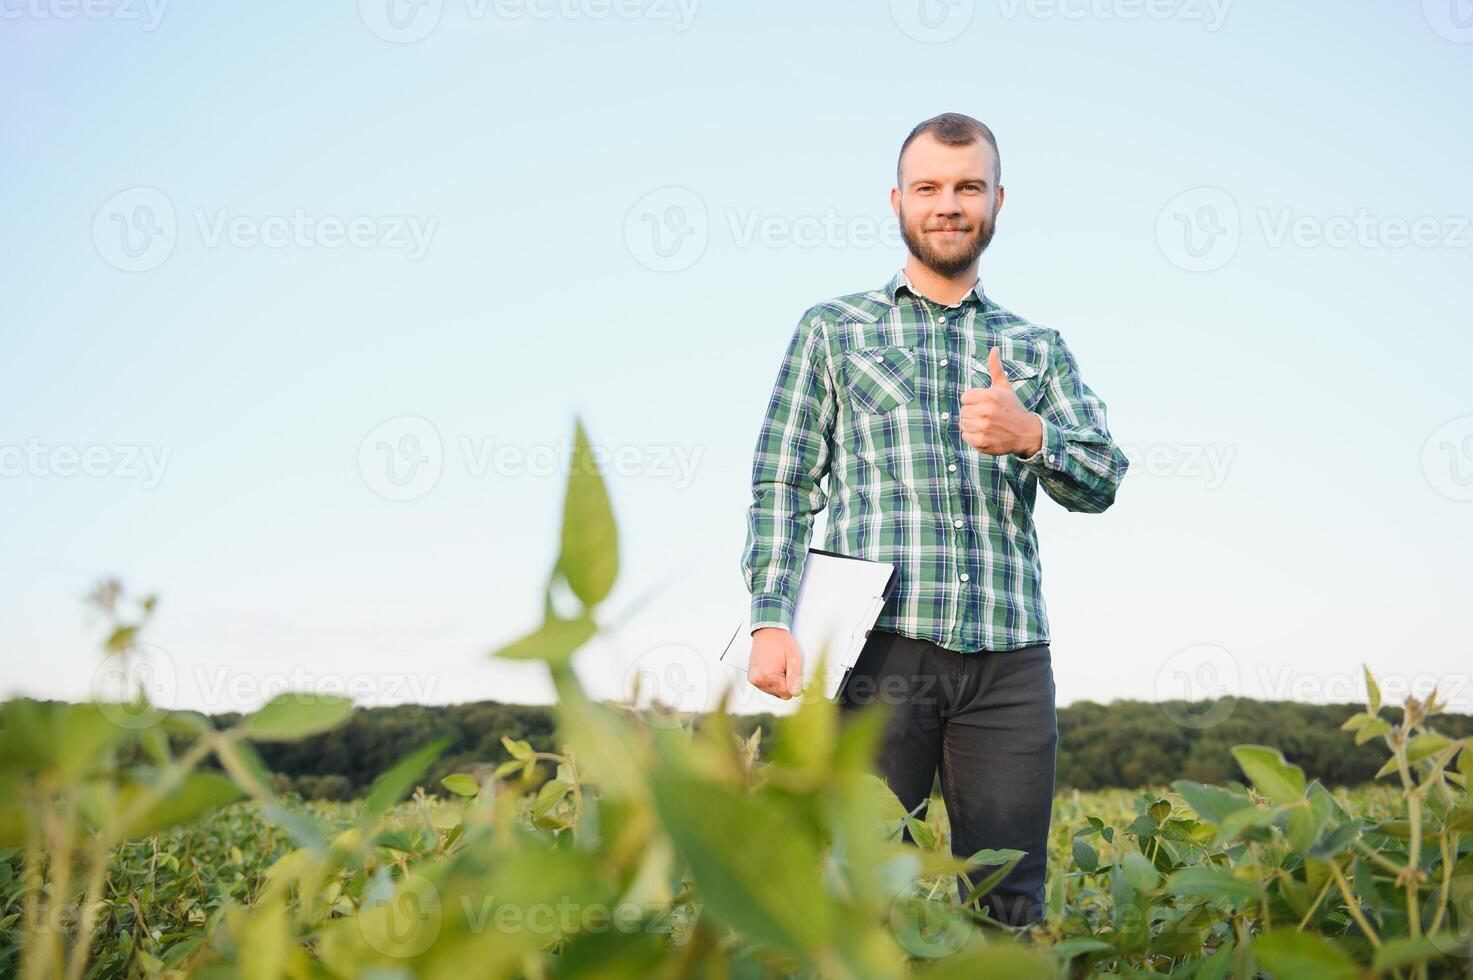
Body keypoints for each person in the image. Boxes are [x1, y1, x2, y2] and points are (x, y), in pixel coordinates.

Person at [739, 112, 1129, 926]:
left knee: (1008, 899)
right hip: (877, 651)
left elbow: (1102, 478)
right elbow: (782, 481)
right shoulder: (833, 329)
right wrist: (770, 619)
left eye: (966, 187)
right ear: (897, 201)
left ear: (995, 200)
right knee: (860, 889)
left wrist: (1032, 436)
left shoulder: (1037, 346)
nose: (947, 204)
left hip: (1009, 657)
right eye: (928, 188)